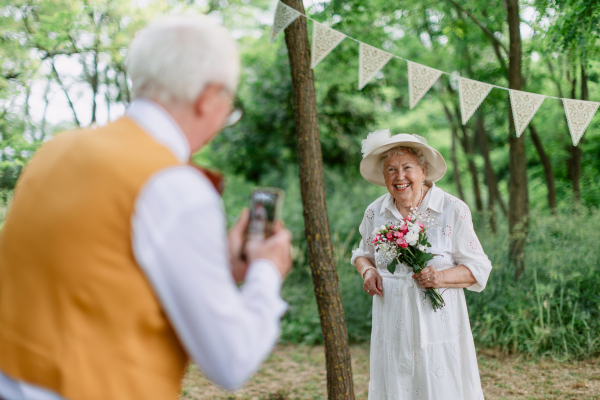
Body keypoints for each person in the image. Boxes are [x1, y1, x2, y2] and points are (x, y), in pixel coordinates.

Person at [0, 15, 292, 400]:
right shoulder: (175, 185)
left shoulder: (54, 150)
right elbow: (231, 361)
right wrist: (267, 269)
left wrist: (218, 264)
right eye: (229, 107)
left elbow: (93, 277)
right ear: (209, 98)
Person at [351, 129, 492, 400]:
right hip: (391, 323)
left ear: (423, 171)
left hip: (438, 326)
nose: (399, 176)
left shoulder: (452, 209)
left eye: (407, 167)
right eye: (391, 170)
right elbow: (361, 252)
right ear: (383, 177)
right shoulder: (375, 211)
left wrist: (440, 278)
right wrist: (367, 271)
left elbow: (478, 268)